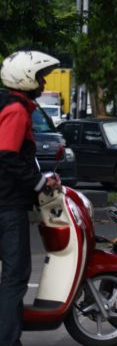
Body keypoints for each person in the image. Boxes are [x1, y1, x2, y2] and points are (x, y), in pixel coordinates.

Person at [0, 50, 63, 346]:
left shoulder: (12, 106)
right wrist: (39, 182)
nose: (43, 82)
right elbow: (8, 157)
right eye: (40, 76)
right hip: (6, 206)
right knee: (15, 276)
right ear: (26, 78)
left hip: (7, 202)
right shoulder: (16, 110)